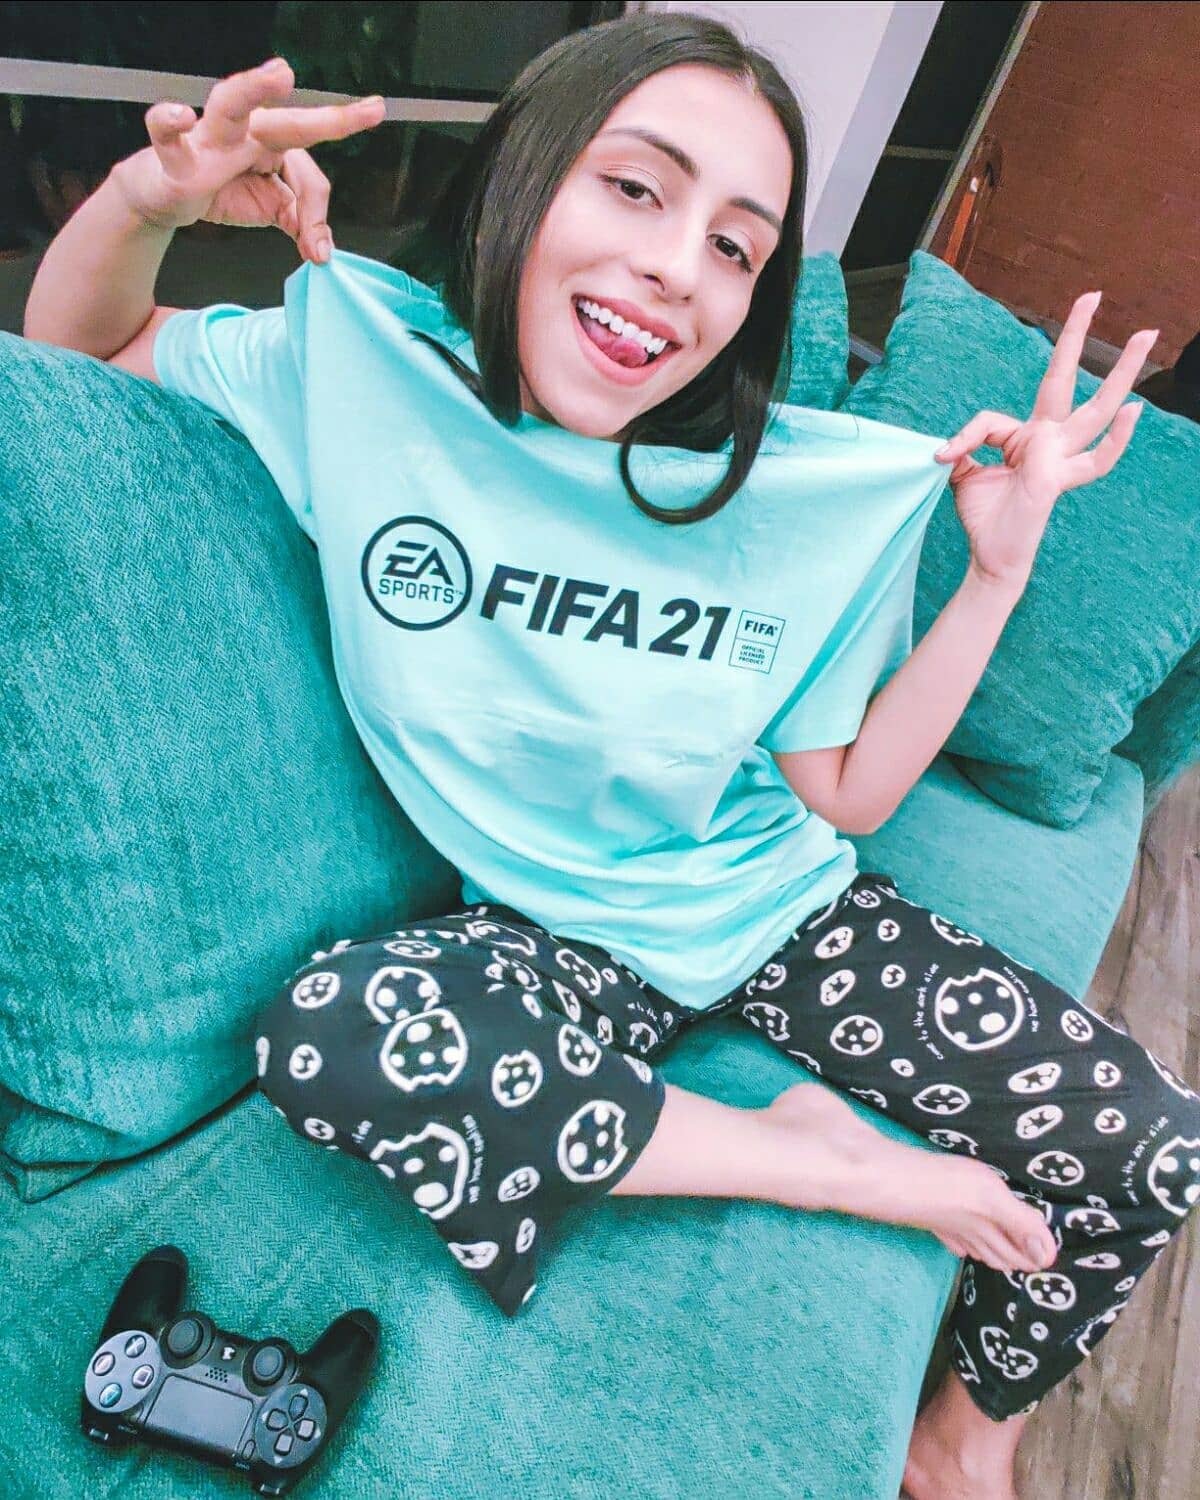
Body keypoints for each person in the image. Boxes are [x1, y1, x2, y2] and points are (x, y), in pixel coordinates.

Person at [23, 13, 1195, 1500]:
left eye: (736, 246)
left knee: (1153, 1150)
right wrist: (147, 200)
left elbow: (847, 796)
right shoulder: (361, 370)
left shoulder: (796, 494)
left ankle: (960, 1441)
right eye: (636, 187)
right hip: (545, 936)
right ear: (526, 175)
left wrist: (996, 576)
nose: (677, 267)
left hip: (778, 912)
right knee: (335, 1034)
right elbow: (76, 355)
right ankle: (816, 1155)